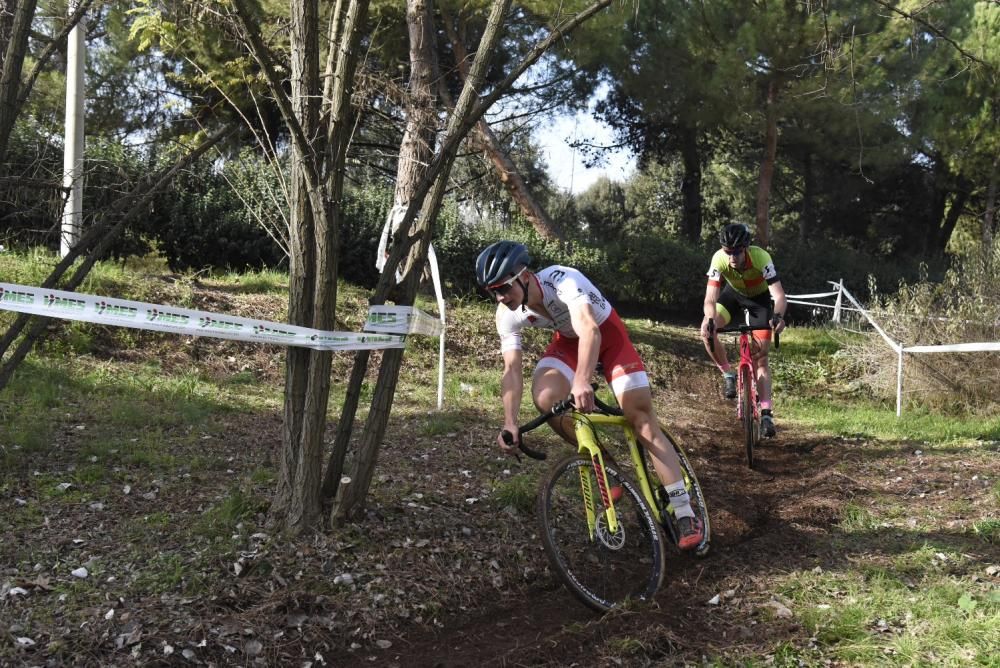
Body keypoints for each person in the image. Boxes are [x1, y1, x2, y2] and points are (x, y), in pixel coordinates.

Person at [475, 240, 705, 550]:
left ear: (525, 276)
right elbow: (511, 369)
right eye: (494, 292)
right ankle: (606, 465)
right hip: (569, 343)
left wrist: (582, 381)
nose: (501, 297)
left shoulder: (563, 279)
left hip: (607, 337)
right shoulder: (507, 313)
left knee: (640, 417)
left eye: (504, 288)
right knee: (546, 398)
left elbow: (590, 329)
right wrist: (509, 422)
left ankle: (684, 511)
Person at [699, 223, 787, 437]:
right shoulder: (718, 259)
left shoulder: (761, 258)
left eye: (736, 252)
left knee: (761, 358)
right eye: (728, 252)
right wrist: (710, 319)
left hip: (759, 300)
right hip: (733, 296)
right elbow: (710, 299)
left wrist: (778, 317)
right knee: (706, 331)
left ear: (746, 248)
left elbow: (779, 296)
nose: (731, 257)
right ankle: (728, 374)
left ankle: (766, 413)